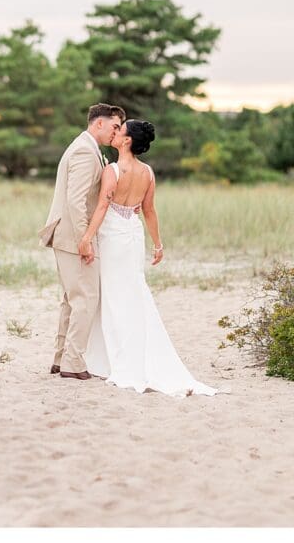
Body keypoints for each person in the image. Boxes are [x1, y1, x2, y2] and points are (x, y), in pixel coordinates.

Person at [79, 119, 221, 397]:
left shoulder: (113, 170)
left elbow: (103, 206)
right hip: (133, 235)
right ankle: (127, 352)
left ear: (127, 140)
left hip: (113, 236)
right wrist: (158, 243)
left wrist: (86, 237)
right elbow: (149, 211)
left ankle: (113, 359)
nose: (116, 132)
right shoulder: (148, 172)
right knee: (132, 290)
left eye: (120, 130)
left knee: (113, 294)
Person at [38, 103, 125, 380]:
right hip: (74, 237)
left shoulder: (87, 148)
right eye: (114, 126)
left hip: (68, 236)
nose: (116, 132)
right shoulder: (85, 152)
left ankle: (60, 358)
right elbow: (76, 202)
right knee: (86, 298)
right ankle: (73, 363)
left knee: (72, 300)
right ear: (98, 123)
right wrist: (84, 240)